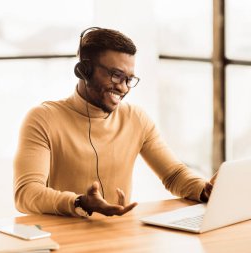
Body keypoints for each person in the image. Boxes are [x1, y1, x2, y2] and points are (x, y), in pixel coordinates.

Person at [13, 27, 215, 218]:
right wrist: (80, 202)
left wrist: (204, 190)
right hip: (65, 237)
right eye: (116, 75)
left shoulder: (136, 118)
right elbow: (26, 193)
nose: (123, 88)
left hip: (119, 234)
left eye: (129, 79)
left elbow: (174, 175)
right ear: (85, 70)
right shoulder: (43, 118)